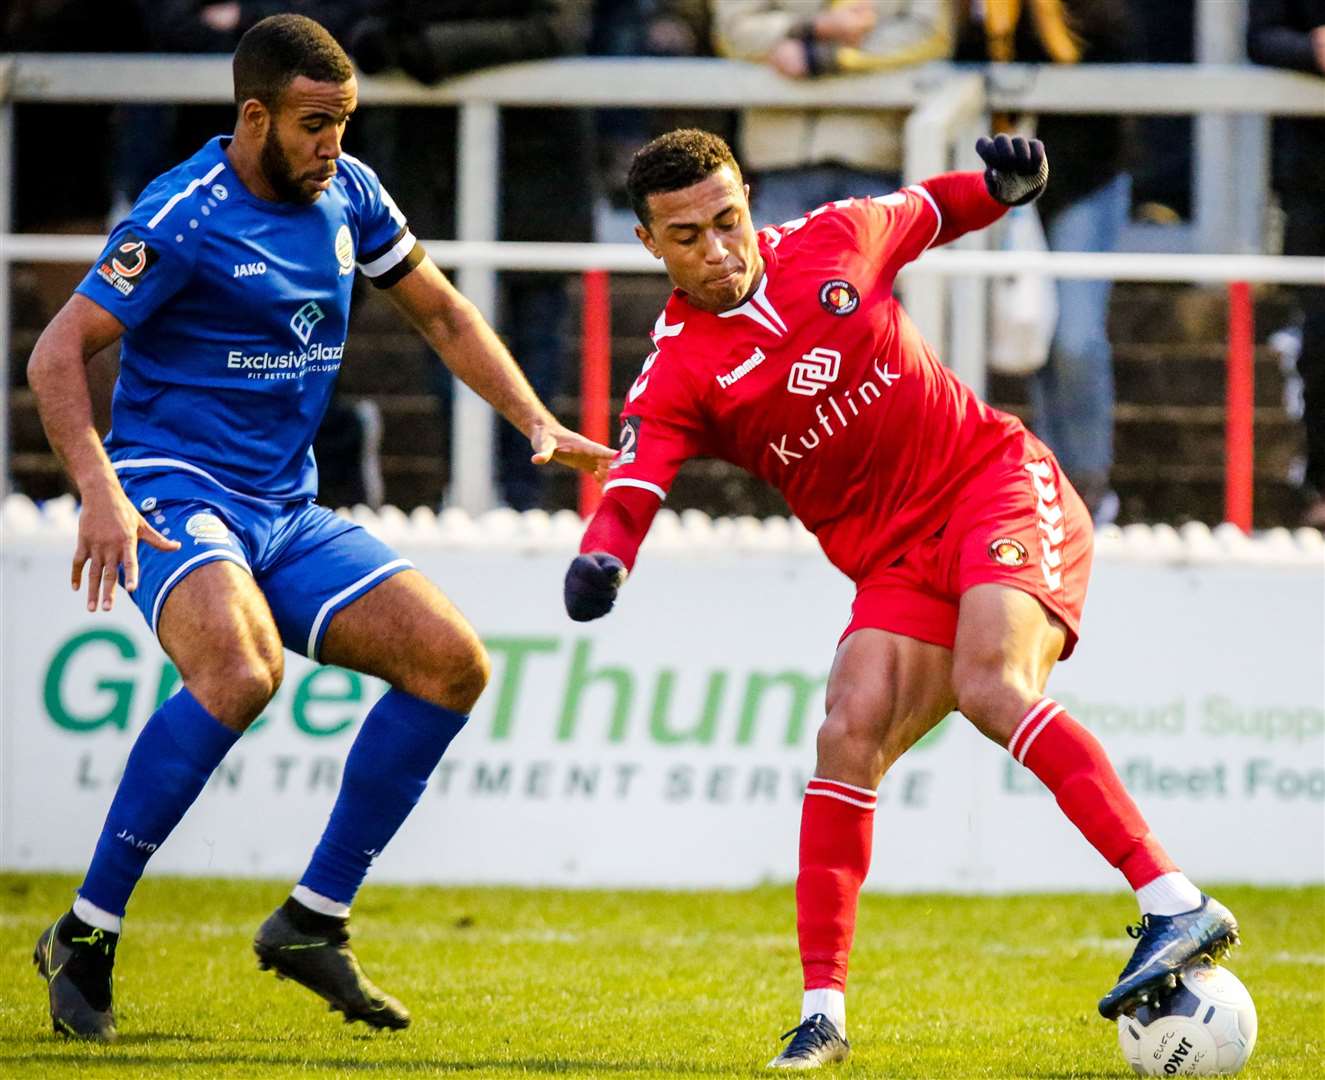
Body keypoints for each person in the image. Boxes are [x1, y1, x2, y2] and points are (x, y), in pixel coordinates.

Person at [562, 128, 1238, 1069]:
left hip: (991, 483)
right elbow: (634, 484)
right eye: (687, 237)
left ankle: (1175, 903)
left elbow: (934, 209)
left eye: (726, 220)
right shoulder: (679, 370)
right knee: (848, 728)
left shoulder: (834, 237)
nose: (716, 250)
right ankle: (823, 1017)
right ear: (647, 244)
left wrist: (1003, 186)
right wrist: (603, 561)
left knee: (990, 684)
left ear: (748, 198)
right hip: (891, 562)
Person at [26, 14, 612, 1042]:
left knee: (452, 664)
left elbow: (443, 314)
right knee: (243, 671)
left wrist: (537, 421)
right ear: (254, 115)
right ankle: (88, 927)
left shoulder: (348, 189)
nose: (330, 142)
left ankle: (312, 921)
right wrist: (98, 487)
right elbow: (56, 352)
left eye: (342, 120)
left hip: (283, 509)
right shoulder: (185, 213)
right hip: (172, 490)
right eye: (311, 123)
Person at [954, 0, 1136, 525]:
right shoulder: (972, 14)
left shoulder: (1090, 14)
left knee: (1074, 337)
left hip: (1083, 181)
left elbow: (1117, 60)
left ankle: (1087, 486)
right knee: (1023, 327)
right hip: (1001, 184)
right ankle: (1045, 482)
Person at [711, 0, 951, 229]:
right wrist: (813, 27)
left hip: (877, 161)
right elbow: (730, 32)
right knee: (772, 268)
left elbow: (933, 33)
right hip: (779, 166)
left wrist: (828, 57)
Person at [1247, 1, 1325, 529]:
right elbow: (1260, 37)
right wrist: (1311, 49)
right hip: (1314, 181)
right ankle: (1321, 482)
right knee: (1321, 339)